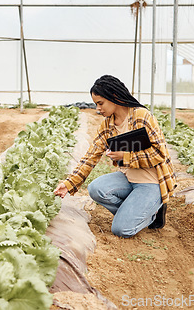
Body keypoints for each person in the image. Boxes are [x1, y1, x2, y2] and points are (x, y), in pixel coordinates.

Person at [53, 75, 176, 238]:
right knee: (96, 189)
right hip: (128, 178)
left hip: (151, 182)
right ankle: (133, 211)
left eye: (100, 103)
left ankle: (152, 212)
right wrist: (69, 184)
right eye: (96, 104)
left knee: (121, 230)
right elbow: (91, 156)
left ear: (115, 96)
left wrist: (126, 157)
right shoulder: (108, 124)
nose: (98, 109)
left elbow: (159, 154)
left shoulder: (141, 116)